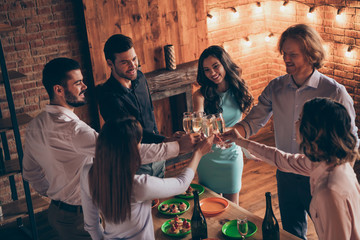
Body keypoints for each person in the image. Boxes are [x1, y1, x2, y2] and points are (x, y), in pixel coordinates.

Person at [22, 58, 196, 240]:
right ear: (58, 90)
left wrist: (57, 196)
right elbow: (125, 151)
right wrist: (178, 147)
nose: (85, 86)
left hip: (57, 214)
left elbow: (30, 172)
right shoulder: (74, 131)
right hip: (79, 219)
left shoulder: (35, 125)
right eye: (78, 83)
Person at [233, 24, 359, 239]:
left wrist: (339, 177)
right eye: (284, 54)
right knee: (291, 231)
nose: (286, 59)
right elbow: (253, 121)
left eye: (293, 54)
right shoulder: (276, 87)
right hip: (287, 172)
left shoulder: (334, 92)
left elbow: (351, 140)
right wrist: (233, 134)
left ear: (310, 55)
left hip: (320, 172)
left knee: (328, 229)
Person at [223, 98, 360, 240]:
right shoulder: (327, 162)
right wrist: (240, 141)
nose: (295, 122)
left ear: (313, 131)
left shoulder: (329, 191)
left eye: (300, 118)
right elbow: (282, 159)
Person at [80, 117, 214, 240]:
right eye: (139, 143)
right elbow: (182, 183)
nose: (141, 148)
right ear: (130, 151)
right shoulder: (138, 185)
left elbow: (92, 226)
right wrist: (198, 153)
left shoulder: (87, 172)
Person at [97, 34, 179, 178]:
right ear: (110, 63)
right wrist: (167, 140)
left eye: (134, 59)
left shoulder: (140, 78)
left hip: (158, 154)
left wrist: (162, 142)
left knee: (158, 199)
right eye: (124, 62)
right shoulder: (108, 96)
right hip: (135, 162)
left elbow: (150, 115)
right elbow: (129, 134)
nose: (132, 65)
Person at [192, 45, 253, 204]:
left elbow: (243, 125)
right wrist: (207, 133)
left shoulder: (239, 88)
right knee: (210, 206)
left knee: (233, 207)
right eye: (206, 70)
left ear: (224, 63)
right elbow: (197, 125)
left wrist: (248, 149)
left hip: (232, 155)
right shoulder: (200, 95)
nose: (212, 73)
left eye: (215, 66)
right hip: (209, 157)